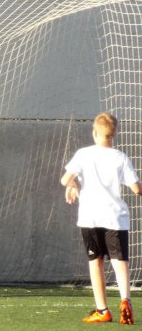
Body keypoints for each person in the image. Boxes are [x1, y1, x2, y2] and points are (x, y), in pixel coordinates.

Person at [61, 112, 140, 325]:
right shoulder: (120, 157)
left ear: (95, 132)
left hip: (90, 218)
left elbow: (65, 179)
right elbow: (136, 188)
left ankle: (102, 310)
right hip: (116, 218)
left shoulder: (84, 154)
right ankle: (126, 301)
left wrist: (73, 185)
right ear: (113, 135)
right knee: (120, 261)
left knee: (96, 263)